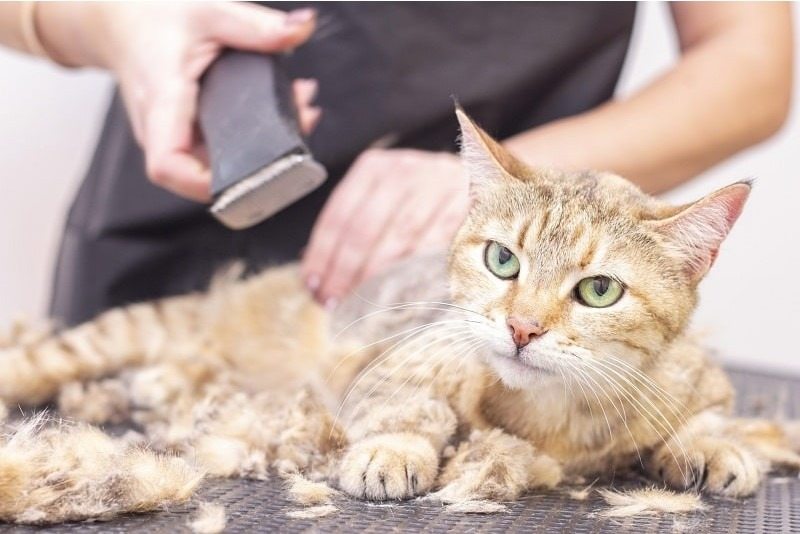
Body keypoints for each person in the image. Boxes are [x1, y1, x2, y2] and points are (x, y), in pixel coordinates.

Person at [0, 2, 793, 325]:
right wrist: (116, 27)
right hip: (174, 265)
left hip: (482, 312)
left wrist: (505, 188)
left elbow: (750, 65)